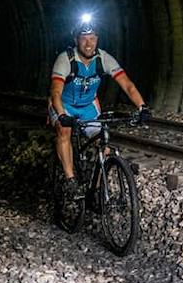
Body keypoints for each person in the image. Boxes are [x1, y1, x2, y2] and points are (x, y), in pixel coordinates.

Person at [48, 16, 150, 197]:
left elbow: (127, 85)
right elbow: (55, 93)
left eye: (93, 38)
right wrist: (62, 115)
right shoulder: (65, 59)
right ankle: (70, 179)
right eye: (84, 38)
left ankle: (95, 188)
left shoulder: (104, 59)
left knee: (104, 145)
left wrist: (142, 107)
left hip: (88, 106)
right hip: (64, 104)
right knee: (64, 131)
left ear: (98, 39)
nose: (89, 44)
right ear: (76, 40)